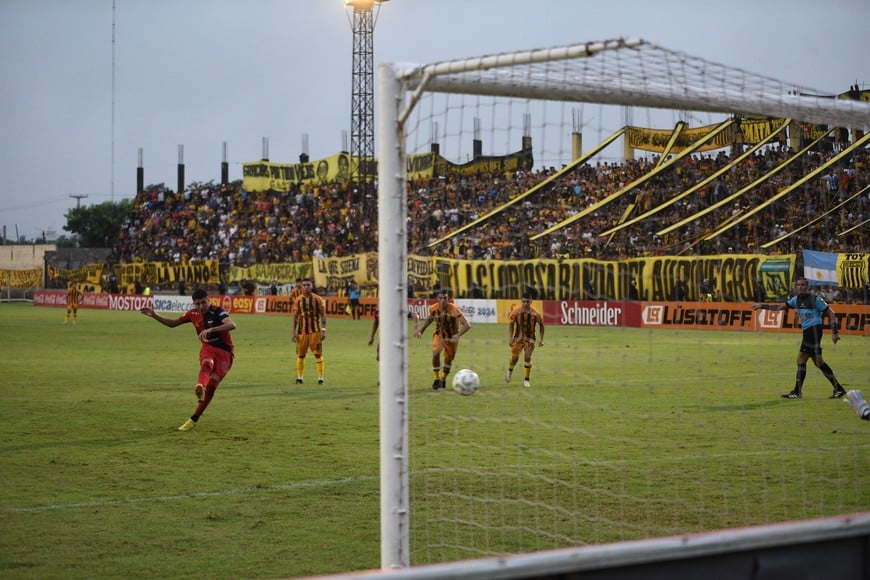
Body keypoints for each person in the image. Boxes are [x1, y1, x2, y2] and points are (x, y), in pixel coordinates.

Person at [140, 288, 237, 431]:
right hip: (208, 348)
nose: (201, 306)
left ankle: (194, 418)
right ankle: (200, 387)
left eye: (203, 303)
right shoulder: (192, 314)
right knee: (206, 364)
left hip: (225, 353)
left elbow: (232, 325)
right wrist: (154, 315)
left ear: (208, 300)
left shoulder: (217, 311)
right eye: (197, 304)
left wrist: (211, 330)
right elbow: (173, 323)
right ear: (193, 304)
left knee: (213, 385)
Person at [753, 276, 846, 399]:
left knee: (800, 360)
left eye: (803, 285)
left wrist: (834, 332)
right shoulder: (795, 300)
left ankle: (797, 392)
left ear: (807, 287)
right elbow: (779, 308)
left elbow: (831, 313)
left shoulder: (815, 299)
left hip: (813, 331)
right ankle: (839, 389)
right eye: (798, 285)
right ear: (796, 287)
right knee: (819, 362)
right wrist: (762, 306)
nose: (800, 287)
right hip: (808, 332)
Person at [414, 289, 471, 390]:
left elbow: (467, 325)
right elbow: (430, 318)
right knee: (436, 353)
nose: (443, 301)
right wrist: (422, 330)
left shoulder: (453, 309)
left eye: (445, 298)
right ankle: (436, 379)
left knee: (448, 360)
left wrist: (457, 335)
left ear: (447, 298)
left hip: (452, 337)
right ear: (437, 299)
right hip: (439, 334)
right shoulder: (433, 308)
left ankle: (443, 379)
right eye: (441, 298)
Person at [505, 293, 544, 387]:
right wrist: (510, 338)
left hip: (530, 339)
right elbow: (511, 324)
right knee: (514, 359)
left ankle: (526, 380)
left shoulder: (536, 314)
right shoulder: (516, 312)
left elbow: (541, 326)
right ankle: (510, 370)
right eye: (524, 301)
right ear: (521, 301)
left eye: (527, 301)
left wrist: (541, 339)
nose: (526, 303)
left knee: (527, 357)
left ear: (531, 301)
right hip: (518, 338)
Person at [292, 279, 327, 384]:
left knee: (318, 354)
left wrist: (323, 330)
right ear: (301, 287)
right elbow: (295, 317)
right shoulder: (298, 300)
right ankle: (299, 378)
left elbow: (323, 315)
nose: (306, 287)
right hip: (302, 332)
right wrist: (293, 332)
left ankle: (320, 379)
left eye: (308, 285)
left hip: (315, 331)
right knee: (300, 355)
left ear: (312, 287)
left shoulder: (318, 299)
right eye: (304, 285)